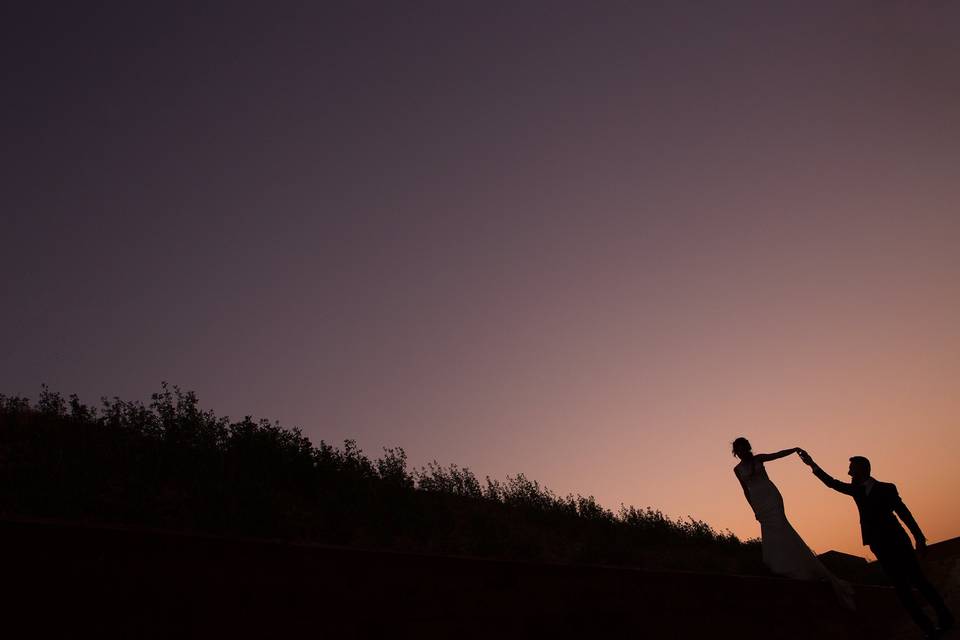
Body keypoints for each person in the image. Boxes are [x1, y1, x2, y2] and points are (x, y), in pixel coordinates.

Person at [799, 450, 954, 638]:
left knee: (919, 580)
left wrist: (919, 537)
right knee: (901, 588)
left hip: (898, 540)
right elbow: (832, 483)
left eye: (851, 469)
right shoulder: (856, 490)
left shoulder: (887, 488)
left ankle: (945, 617)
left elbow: (904, 513)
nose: (848, 472)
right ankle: (927, 629)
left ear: (861, 470)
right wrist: (812, 464)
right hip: (879, 545)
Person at [732, 437, 854, 607]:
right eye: (737, 450)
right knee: (769, 530)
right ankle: (778, 562)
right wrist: (753, 508)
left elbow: (777, 455)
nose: (741, 452)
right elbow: (745, 490)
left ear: (748, 448)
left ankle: (794, 563)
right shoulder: (737, 469)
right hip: (758, 501)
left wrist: (794, 449)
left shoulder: (759, 458)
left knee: (782, 527)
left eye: (743, 448)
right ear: (736, 452)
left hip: (771, 495)